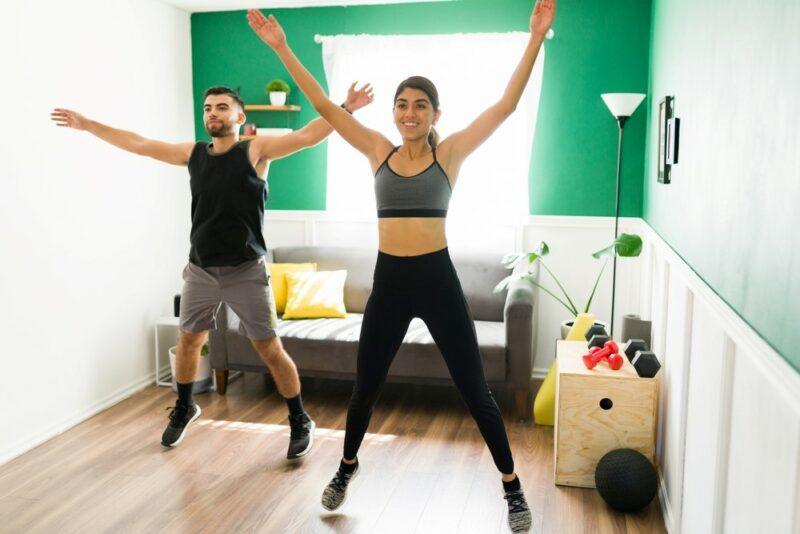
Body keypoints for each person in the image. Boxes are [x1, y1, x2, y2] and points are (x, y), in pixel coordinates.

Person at [246, 1, 554, 531]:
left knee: (475, 390)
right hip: (389, 282)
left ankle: (512, 489)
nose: (409, 113)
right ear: (393, 112)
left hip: (437, 279)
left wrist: (533, 40)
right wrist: (281, 47)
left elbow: (505, 105)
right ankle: (346, 467)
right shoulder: (376, 151)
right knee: (366, 386)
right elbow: (323, 101)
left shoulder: (450, 155)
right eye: (401, 105)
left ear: (436, 113)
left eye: (420, 106)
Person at [50, 83, 374, 458]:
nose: (212, 114)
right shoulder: (193, 154)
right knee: (189, 341)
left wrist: (346, 108)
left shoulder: (255, 150)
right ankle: (186, 406)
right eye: (207, 108)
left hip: (246, 271)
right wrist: (88, 124)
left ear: (240, 116)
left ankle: (300, 419)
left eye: (221, 107)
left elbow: (306, 136)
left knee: (269, 350)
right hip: (200, 269)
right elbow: (138, 143)